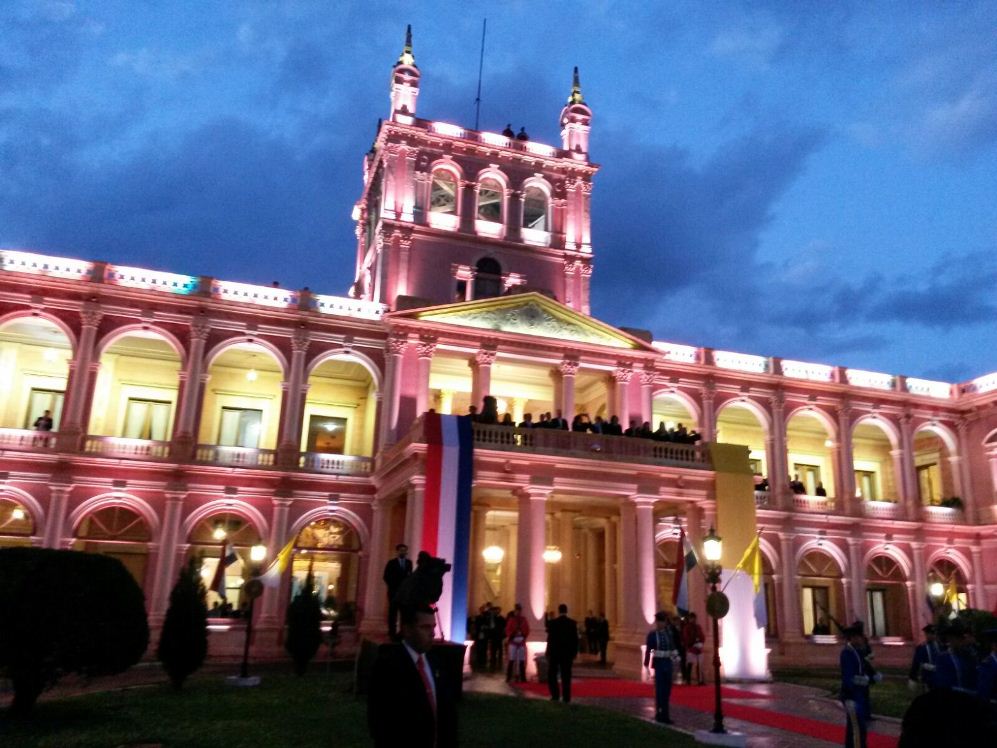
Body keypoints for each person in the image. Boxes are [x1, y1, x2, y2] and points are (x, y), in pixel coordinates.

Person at [368, 603, 457, 748]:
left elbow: (447, 714)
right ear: (407, 630)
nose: (432, 633)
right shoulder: (388, 667)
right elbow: (380, 721)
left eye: (433, 626)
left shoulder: (436, 663)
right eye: (425, 627)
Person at [841, 623, 878, 748]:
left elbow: (865, 668)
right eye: (859, 637)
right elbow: (848, 677)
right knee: (858, 729)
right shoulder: (847, 653)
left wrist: (873, 677)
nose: (861, 639)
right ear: (852, 638)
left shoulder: (858, 652)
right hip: (852, 697)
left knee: (854, 727)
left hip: (859, 696)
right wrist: (865, 680)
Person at [643, 611, 678, 724]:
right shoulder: (653, 635)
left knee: (667, 690)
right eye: (659, 621)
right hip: (659, 664)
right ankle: (659, 713)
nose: (660, 624)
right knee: (660, 690)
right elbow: (650, 649)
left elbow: (672, 648)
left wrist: (676, 662)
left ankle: (666, 714)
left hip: (668, 664)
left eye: (662, 621)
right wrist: (648, 662)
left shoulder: (669, 634)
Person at [545, 603, 578, 703]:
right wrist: (574, 653)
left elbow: (550, 639)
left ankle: (555, 695)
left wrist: (548, 652)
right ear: (566, 611)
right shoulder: (572, 623)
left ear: (559, 611)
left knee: (552, 674)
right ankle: (566, 697)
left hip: (555, 653)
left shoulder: (553, 623)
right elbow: (575, 640)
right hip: (567, 654)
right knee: (566, 675)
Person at [382, 543, 412, 639]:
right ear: (397, 551)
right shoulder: (391, 563)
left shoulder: (409, 563)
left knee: (404, 613)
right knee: (393, 613)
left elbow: (410, 576)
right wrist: (394, 585)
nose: (403, 552)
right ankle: (392, 633)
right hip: (394, 592)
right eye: (401, 550)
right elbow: (386, 576)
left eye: (405, 550)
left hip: (404, 593)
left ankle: (403, 632)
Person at [908, 624, 940, 692]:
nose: (933, 636)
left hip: (938, 677)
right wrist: (913, 677)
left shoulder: (939, 646)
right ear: (926, 634)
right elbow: (916, 663)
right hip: (927, 677)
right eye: (930, 633)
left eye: (934, 633)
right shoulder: (922, 647)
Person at [505, 603, 529, 682]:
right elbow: (508, 630)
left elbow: (527, 629)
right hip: (513, 642)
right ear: (515, 611)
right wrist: (513, 634)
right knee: (511, 660)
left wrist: (522, 634)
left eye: (519, 610)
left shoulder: (524, 620)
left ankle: (523, 678)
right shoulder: (511, 620)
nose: (518, 612)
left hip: (521, 642)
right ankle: (508, 677)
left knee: (521, 660)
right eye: (516, 610)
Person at [682, 612, 706, 685]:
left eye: (694, 618)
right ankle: (688, 680)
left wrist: (701, 642)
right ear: (689, 619)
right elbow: (686, 637)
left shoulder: (698, 627)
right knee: (690, 664)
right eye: (692, 618)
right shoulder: (687, 627)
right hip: (691, 648)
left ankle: (700, 680)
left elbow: (702, 636)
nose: (693, 620)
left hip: (699, 647)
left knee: (700, 665)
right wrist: (693, 641)